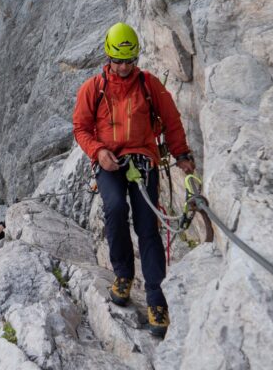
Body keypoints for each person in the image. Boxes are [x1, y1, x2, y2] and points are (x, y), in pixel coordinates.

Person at [72, 22, 196, 337]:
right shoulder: (94, 88)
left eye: (130, 61)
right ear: (108, 56)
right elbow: (81, 128)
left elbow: (171, 120)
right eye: (119, 61)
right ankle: (123, 276)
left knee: (147, 227)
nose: (124, 67)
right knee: (114, 210)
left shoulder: (149, 85)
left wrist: (181, 155)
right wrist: (98, 152)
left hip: (143, 161)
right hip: (110, 163)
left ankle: (156, 300)